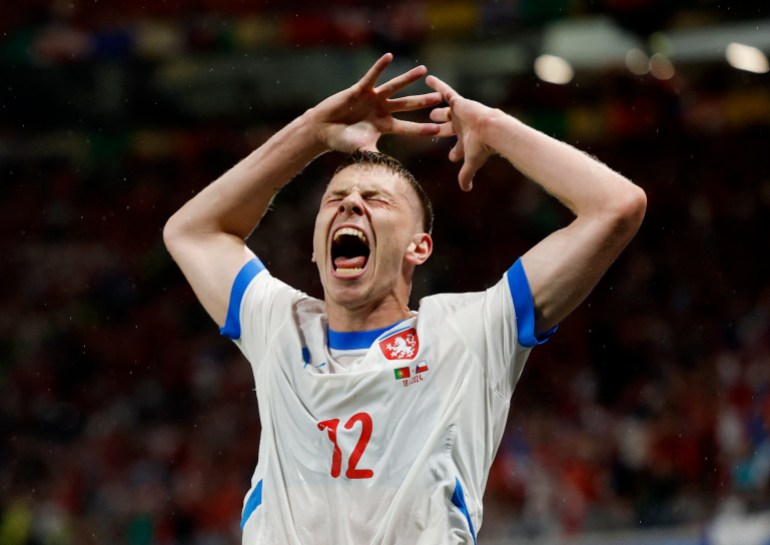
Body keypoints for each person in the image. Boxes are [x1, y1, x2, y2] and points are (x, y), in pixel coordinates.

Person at [163, 53, 646, 544]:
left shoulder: (467, 332)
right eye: (336, 198)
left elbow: (616, 206)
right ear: (314, 248)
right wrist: (310, 133)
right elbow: (191, 233)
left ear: (419, 247)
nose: (351, 202)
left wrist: (493, 127)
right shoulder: (279, 325)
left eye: (376, 199)